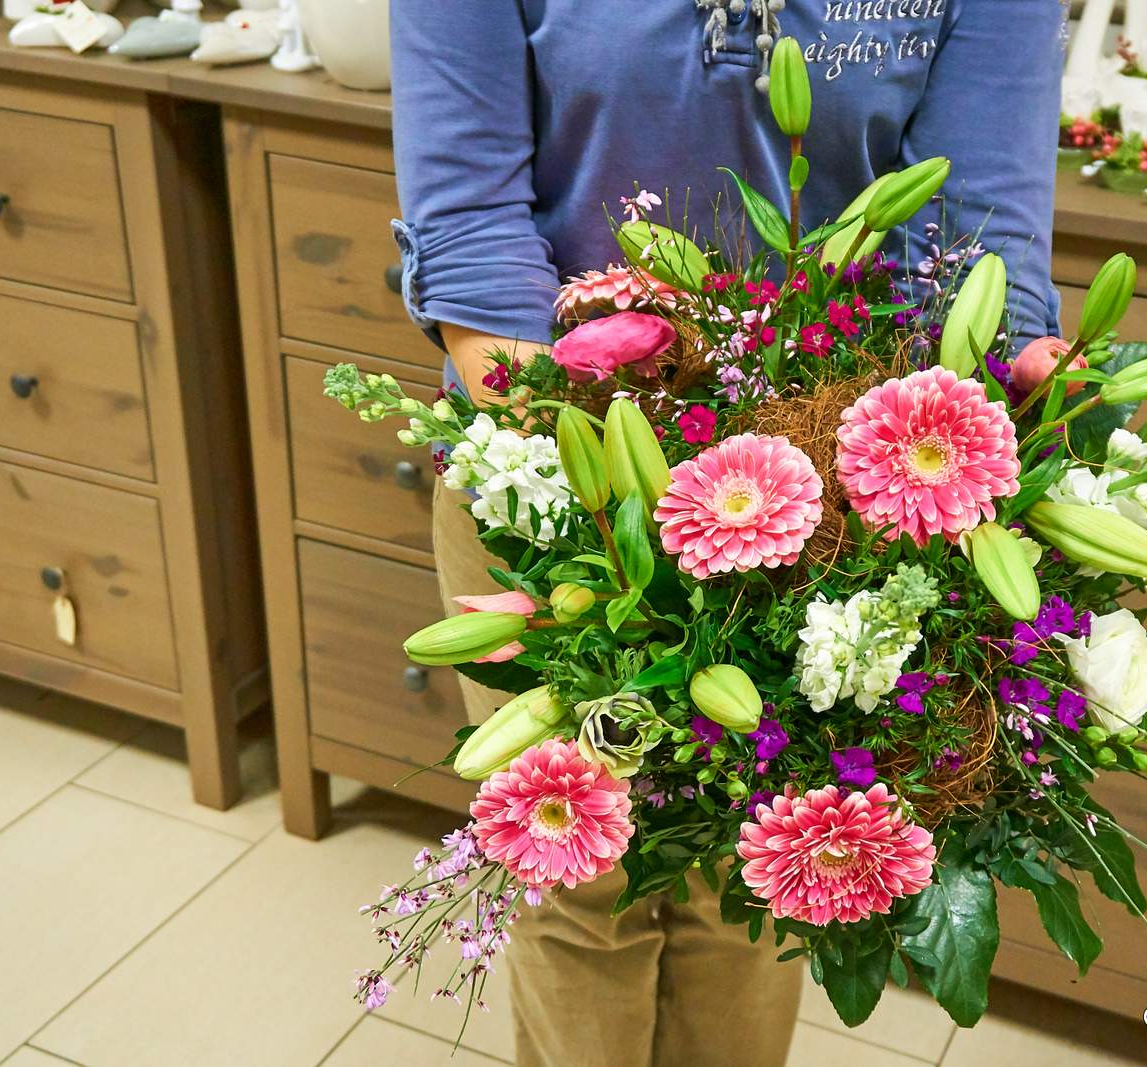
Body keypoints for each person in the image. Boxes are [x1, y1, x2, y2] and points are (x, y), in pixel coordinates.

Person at [390, 3, 1065, 1065]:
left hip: (838, 496)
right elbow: (468, 209)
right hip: (554, 479)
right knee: (581, 881)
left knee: (746, 888)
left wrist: (949, 449)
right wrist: (562, 477)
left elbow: (980, 232)